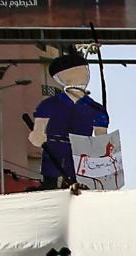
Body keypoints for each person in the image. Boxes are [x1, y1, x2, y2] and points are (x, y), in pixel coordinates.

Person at [27, 51, 109, 191]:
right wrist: (38, 137)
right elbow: (37, 133)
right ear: (61, 78)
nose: (84, 75)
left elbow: (102, 140)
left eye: (85, 71)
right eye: (77, 72)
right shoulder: (49, 105)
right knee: (51, 183)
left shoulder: (95, 109)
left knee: (77, 181)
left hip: (81, 153)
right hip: (54, 150)